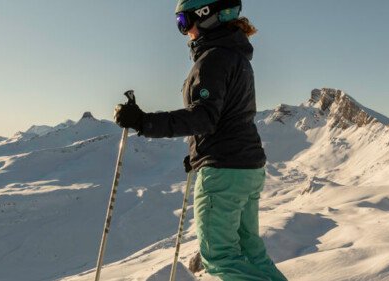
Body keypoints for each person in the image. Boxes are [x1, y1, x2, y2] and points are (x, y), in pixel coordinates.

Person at [113, 1, 286, 280]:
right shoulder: (236, 56)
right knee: (250, 252)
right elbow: (228, 116)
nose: (184, 31)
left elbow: (204, 117)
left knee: (220, 257)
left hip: (224, 171)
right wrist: (198, 153)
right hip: (246, 166)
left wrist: (143, 122)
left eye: (183, 21)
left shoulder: (214, 58)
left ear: (206, 16)